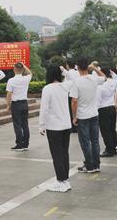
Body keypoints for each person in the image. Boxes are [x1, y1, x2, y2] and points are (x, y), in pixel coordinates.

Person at [39, 65, 74, 193]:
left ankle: (61, 181)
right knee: (64, 153)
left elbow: (44, 108)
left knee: (57, 154)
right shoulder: (65, 86)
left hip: (54, 127)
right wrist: (65, 71)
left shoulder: (47, 88)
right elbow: (74, 78)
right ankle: (65, 180)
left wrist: (41, 125)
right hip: (66, 125)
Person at [70, 58, 107, 173]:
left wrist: (74, 116)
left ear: (78, 68)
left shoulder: (76, 82)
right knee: (95, 141)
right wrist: (94, 68)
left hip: (82, 116)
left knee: (85, 142)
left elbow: (74, 101)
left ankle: (90, 166)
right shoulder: (93, 78)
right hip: (94, 114)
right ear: (87, 67)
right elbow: (104, 77)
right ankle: (96, 165)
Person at [6, 62, 32, 151]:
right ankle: (25, 144)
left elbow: (9, 94)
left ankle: (19, 145)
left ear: (14, 69)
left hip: (16, 104)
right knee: (25, 124)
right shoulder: (26, 78)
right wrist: (24, 66)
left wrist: (8, 105)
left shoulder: (11, 80)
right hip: (24, 103)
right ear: (22, 69)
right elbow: (30, 73)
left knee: (17, 125)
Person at [97, 67, 117, 157]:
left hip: (103, 109)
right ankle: (113, 148)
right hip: (112, 107)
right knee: (112, 129)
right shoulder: (113, 82)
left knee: (105, 131)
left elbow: (98, 100)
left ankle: (109, 150)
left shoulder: (100, 86)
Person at [64, 59, 80, 133]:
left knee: (71, 111)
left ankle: (73, 127)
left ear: (68, 65)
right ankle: (77, 125)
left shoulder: (68, 73)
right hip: (78, 93)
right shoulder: (77, 72)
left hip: (70, 94)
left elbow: (65, 84)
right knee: (77, 110)